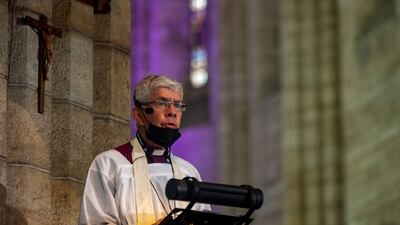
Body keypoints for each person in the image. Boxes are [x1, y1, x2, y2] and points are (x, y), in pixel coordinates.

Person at [79, 75, 210, 225]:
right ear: (140, 115)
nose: (173, 112)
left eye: (178, 104)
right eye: (163, 103)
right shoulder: (109, 164)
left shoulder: (189, 173)